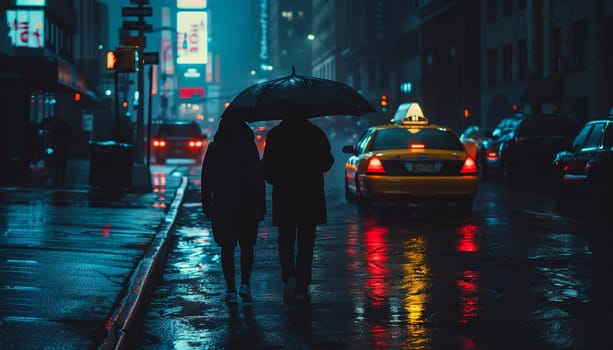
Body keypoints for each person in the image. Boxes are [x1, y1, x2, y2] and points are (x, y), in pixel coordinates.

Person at [262, 116, 334, 303]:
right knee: (306, 243)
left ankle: (290, 277)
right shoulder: (316, 133)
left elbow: (267, 167)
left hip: (285, 195)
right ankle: (302, 285)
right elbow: (327, 162)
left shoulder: (276, 135)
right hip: (310, 196)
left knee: (285, 240)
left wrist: (277, 179)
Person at [201, 118, 266, 304]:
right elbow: (257, 178)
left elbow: (207, 179)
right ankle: (245, 285)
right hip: (247, 204)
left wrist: (207, 205)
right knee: (247, 247)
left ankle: (230, 290)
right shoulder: (249, 147)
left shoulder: (215, 148)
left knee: (227, 248)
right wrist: (261, 206)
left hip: (223, 205)